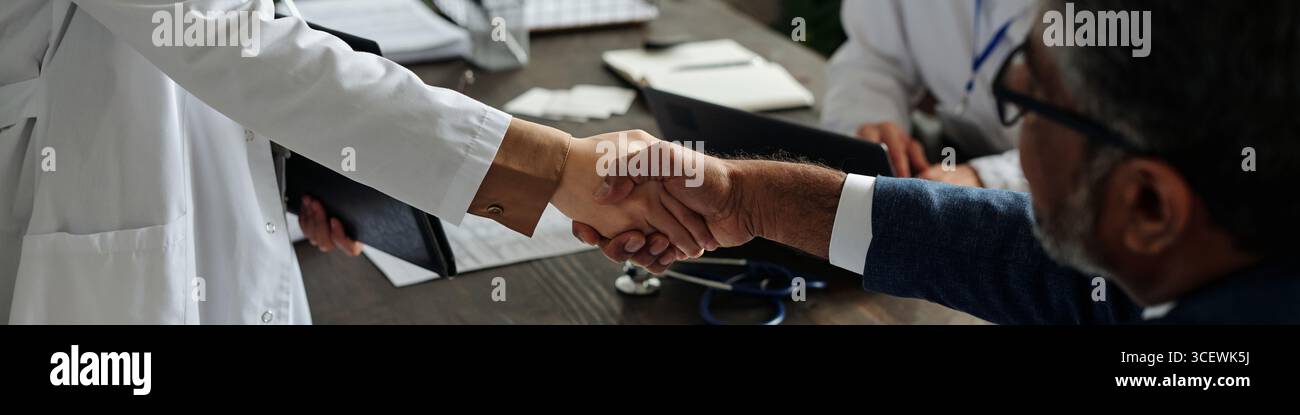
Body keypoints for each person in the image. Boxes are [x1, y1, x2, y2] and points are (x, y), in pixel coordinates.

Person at [577, 0, 1300, 323]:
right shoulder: (1203, 264)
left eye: (1029, 97)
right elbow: (1041, 266)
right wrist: (747, 199)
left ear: (1148, 205)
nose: (1012, 123)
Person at [0, 0, 711, 324]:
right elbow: (228, 40)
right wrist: (551, 170)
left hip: (199, 213)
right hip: (81, 238)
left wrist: (293, 171)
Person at [825, 0, 1035, 190]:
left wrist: (991, 177)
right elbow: (873, 56)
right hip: (945, 156)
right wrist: (873, 117)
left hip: (1044, 180)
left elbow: (1067, 146)